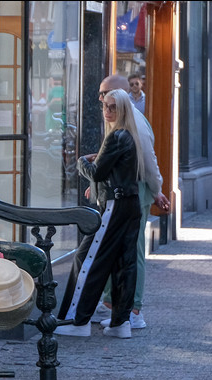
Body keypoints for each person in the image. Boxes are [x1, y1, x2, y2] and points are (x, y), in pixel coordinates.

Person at [55, 89, 143, 339]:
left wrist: (83, 160)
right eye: (105, 105)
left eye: (113, 107)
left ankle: (78, 320)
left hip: (115, 205)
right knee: (123, 264)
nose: (107, 111)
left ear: (123, 109)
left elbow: (96, 173)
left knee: (86, 258)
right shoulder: (128, 136)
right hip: (129, 204)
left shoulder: (117, 137)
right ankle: (120, 323)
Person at [94, 74, 171, 331]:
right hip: (126, 190)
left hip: (134, 192)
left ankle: (133, 310)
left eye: (105, 94)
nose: (101, 99)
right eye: (102, 95)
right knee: (119, 250)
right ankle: (113, 304)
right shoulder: (120, 118)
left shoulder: (134, 120)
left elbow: (148, 160)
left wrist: (156, 189)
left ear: (121, 95)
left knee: (133, 251)